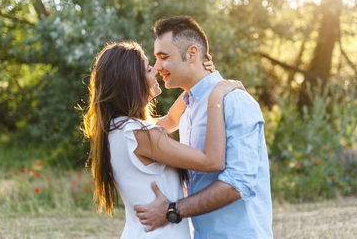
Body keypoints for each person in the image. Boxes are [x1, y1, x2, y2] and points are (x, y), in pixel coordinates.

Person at [82, 41, 243, 239]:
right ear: (133, 81)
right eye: (149, 69)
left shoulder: (117, 129)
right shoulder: (143, 135)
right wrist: (216, 97)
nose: (156, 71)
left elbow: (171, 120)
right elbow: (212, 160)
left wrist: (201, 80)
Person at [134, 16, 273, 238]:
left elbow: (238, 184)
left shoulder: (233, 101)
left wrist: (172, 210)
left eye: (163, 57)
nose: (157, 66)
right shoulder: (188, 108)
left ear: (192, 54)